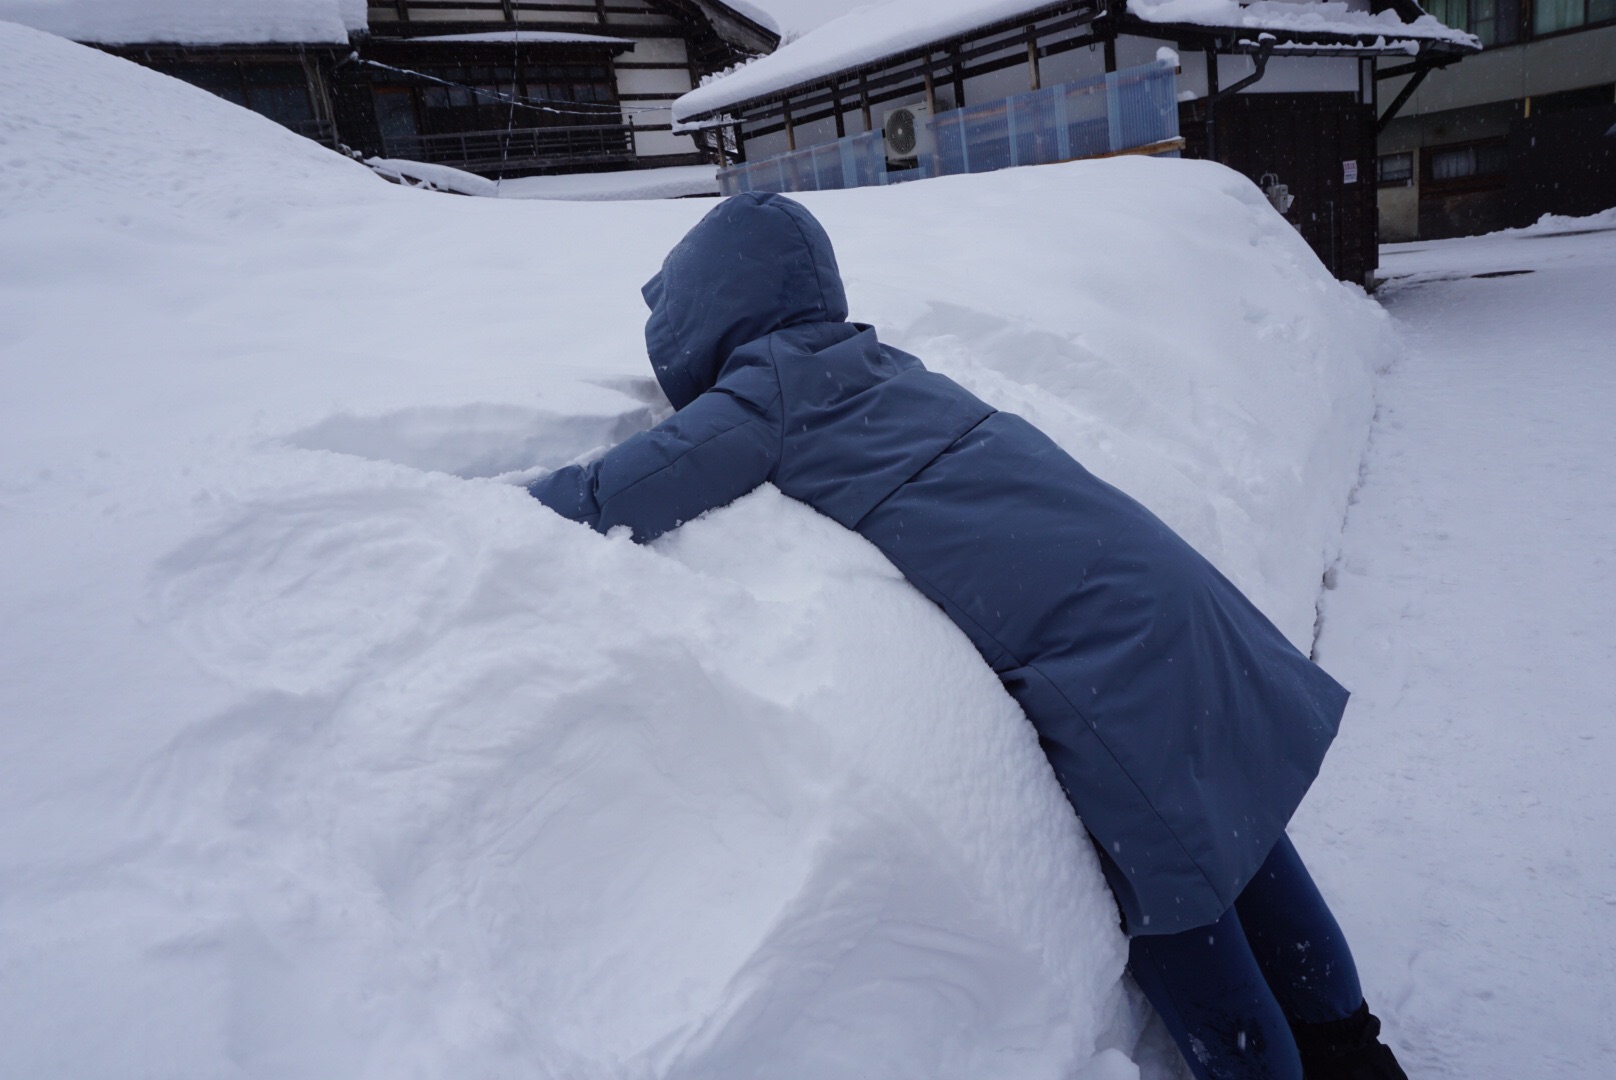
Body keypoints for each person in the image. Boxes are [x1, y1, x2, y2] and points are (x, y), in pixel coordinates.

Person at [527, 192, 1407, 1080]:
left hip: (1104, 660)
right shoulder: (883, 362)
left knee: (1183, 914)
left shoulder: (767, 393)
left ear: (708, 308)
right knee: (1246, 843)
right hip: (1167, 595)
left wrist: (468, 510)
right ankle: (1353, 1051)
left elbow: (616, 496)